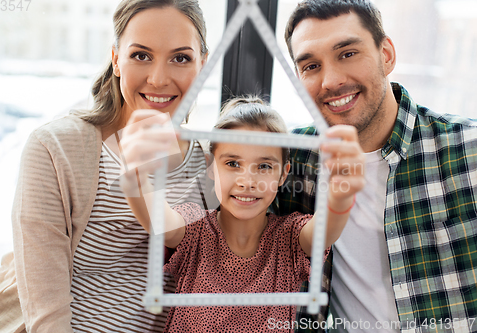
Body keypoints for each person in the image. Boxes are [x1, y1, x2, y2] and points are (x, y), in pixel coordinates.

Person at [0, 0, 211, 332]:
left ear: (203, 64)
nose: (158, 79)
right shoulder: (56, 148)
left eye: (181, 58)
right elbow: (47, 314)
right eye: (141, 55)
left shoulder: (214, 167)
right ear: (116, 60)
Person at [277, 0, 477, 332]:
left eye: (347, 53)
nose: (330, 80)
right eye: (310, 66)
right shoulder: (289, 160)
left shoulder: (467, 149)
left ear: (386, 55)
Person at [119, 96, 365, 332]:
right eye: (232, 164)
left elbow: (326, 230)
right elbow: (157, 220)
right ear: (211, 167)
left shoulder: (290, 238)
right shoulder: (194, 230)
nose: (247, 181)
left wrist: (341, 195)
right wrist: (134, 173)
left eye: (264, 166)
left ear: (283, 174)